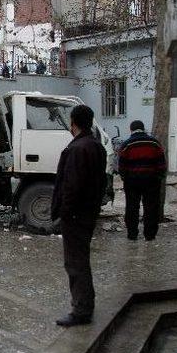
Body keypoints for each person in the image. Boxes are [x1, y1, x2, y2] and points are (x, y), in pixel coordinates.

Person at [52, 105, 106, 327]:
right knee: (81, 259)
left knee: (75, 262)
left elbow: (71, 186)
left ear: (73, 123)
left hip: (76, 215)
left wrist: (64, 213)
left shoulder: (77, 149)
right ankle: (86, 303)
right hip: (88, 212)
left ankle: (81, 310)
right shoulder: (96, 146)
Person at [118, 120, 167, 241]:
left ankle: (132, 234)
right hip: (151, 180)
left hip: (132, 181)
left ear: (131, 129)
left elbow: (121, 165)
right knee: (151, 207)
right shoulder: (154, 143)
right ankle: (150, 235)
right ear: (143, 128)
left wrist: (125, 177)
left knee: (132, 207)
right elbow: (161, 163)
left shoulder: (127, 144)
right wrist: (159, 176)